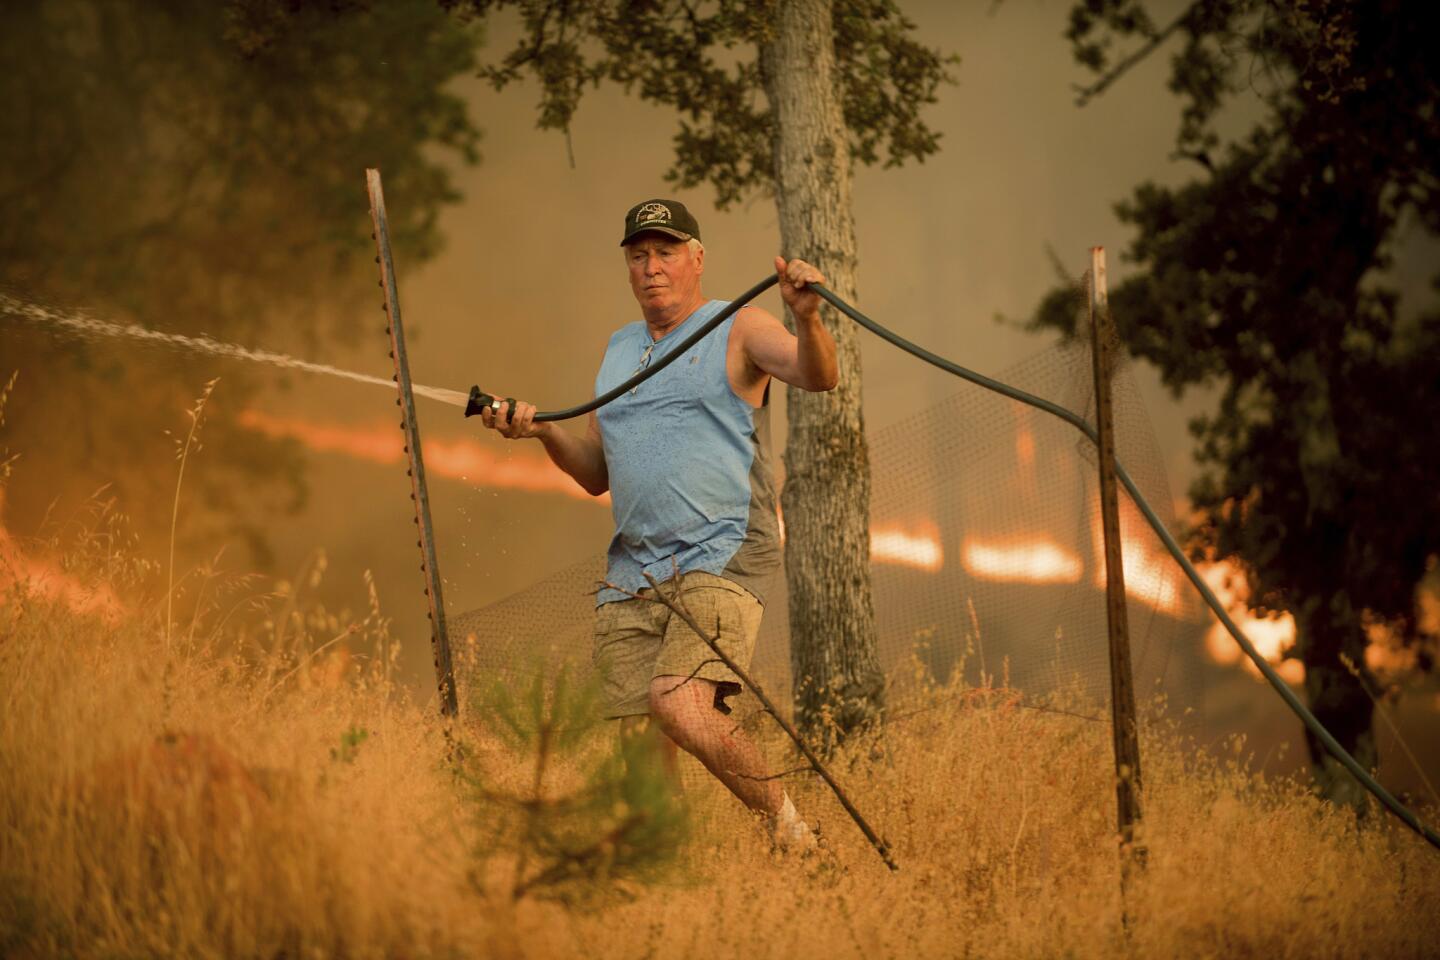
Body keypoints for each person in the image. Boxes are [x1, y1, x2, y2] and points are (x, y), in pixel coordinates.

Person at [478, 198, 838, 851]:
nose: (652, 268)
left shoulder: (739, 326)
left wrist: (807, 318)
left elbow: (818, 375)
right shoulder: (618, 350)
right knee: (639, 747)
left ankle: (792, 836)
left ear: (697, 258)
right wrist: (540, 431)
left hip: (722, 554)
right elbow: (595, 473)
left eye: (666, 252)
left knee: (679, 702)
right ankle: (672, 880)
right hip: (632, 571)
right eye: (638, 255)